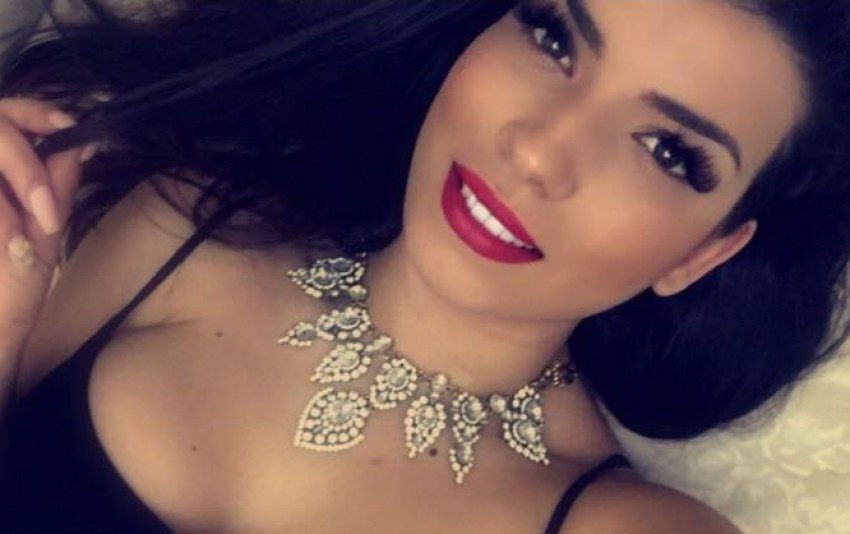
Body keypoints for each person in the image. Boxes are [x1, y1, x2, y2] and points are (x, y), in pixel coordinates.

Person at [1, 0, 849, 532]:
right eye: (553, 35)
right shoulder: (192, 213)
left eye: (666, 150)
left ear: (704, 252)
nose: (538, 150)